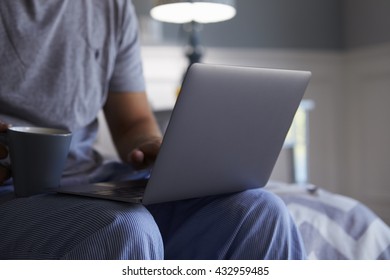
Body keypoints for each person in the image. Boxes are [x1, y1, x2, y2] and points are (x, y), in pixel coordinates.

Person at [0, 0, 306, 259]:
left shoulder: (111, 8)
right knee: (125, 228)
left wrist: (152, 145)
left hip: (89, 183)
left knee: (261, 212)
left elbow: (133, 122)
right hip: (12, 192)